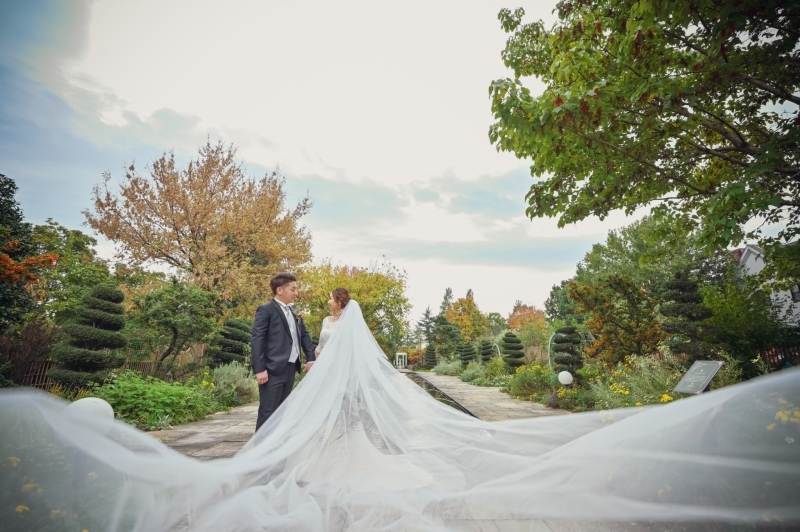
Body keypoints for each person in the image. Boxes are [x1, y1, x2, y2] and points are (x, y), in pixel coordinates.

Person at [1, 296, 799, 531]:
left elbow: (322, 348)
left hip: (305, 377)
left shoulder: (329, 326)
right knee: (280, 425)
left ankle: (293, 459)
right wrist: (277, 360)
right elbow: (294, 344)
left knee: (311, 432)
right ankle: (282, 453)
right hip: (286, 375)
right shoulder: (297, 317)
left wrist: (310, 356)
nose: (308, 304)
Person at [250, 272, 315, 432]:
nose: (296, 293)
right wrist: (259, 369)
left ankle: (275, 450)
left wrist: (310, 358)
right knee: (268, 412)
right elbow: (257, 339)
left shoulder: (295, 310)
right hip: (272, 369)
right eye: (293, 289)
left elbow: (304, 335)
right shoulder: (266, 310)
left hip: (291, 368)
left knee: (281, 413)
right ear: (280, 290)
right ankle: (260, 454)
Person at [313, 287, 349, 361]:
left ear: (339, 301)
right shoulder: (326, 320)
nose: (328, 302)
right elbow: (320, 345)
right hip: (323, 360)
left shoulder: (347, 322)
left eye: (330, 298)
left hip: (339, 362)